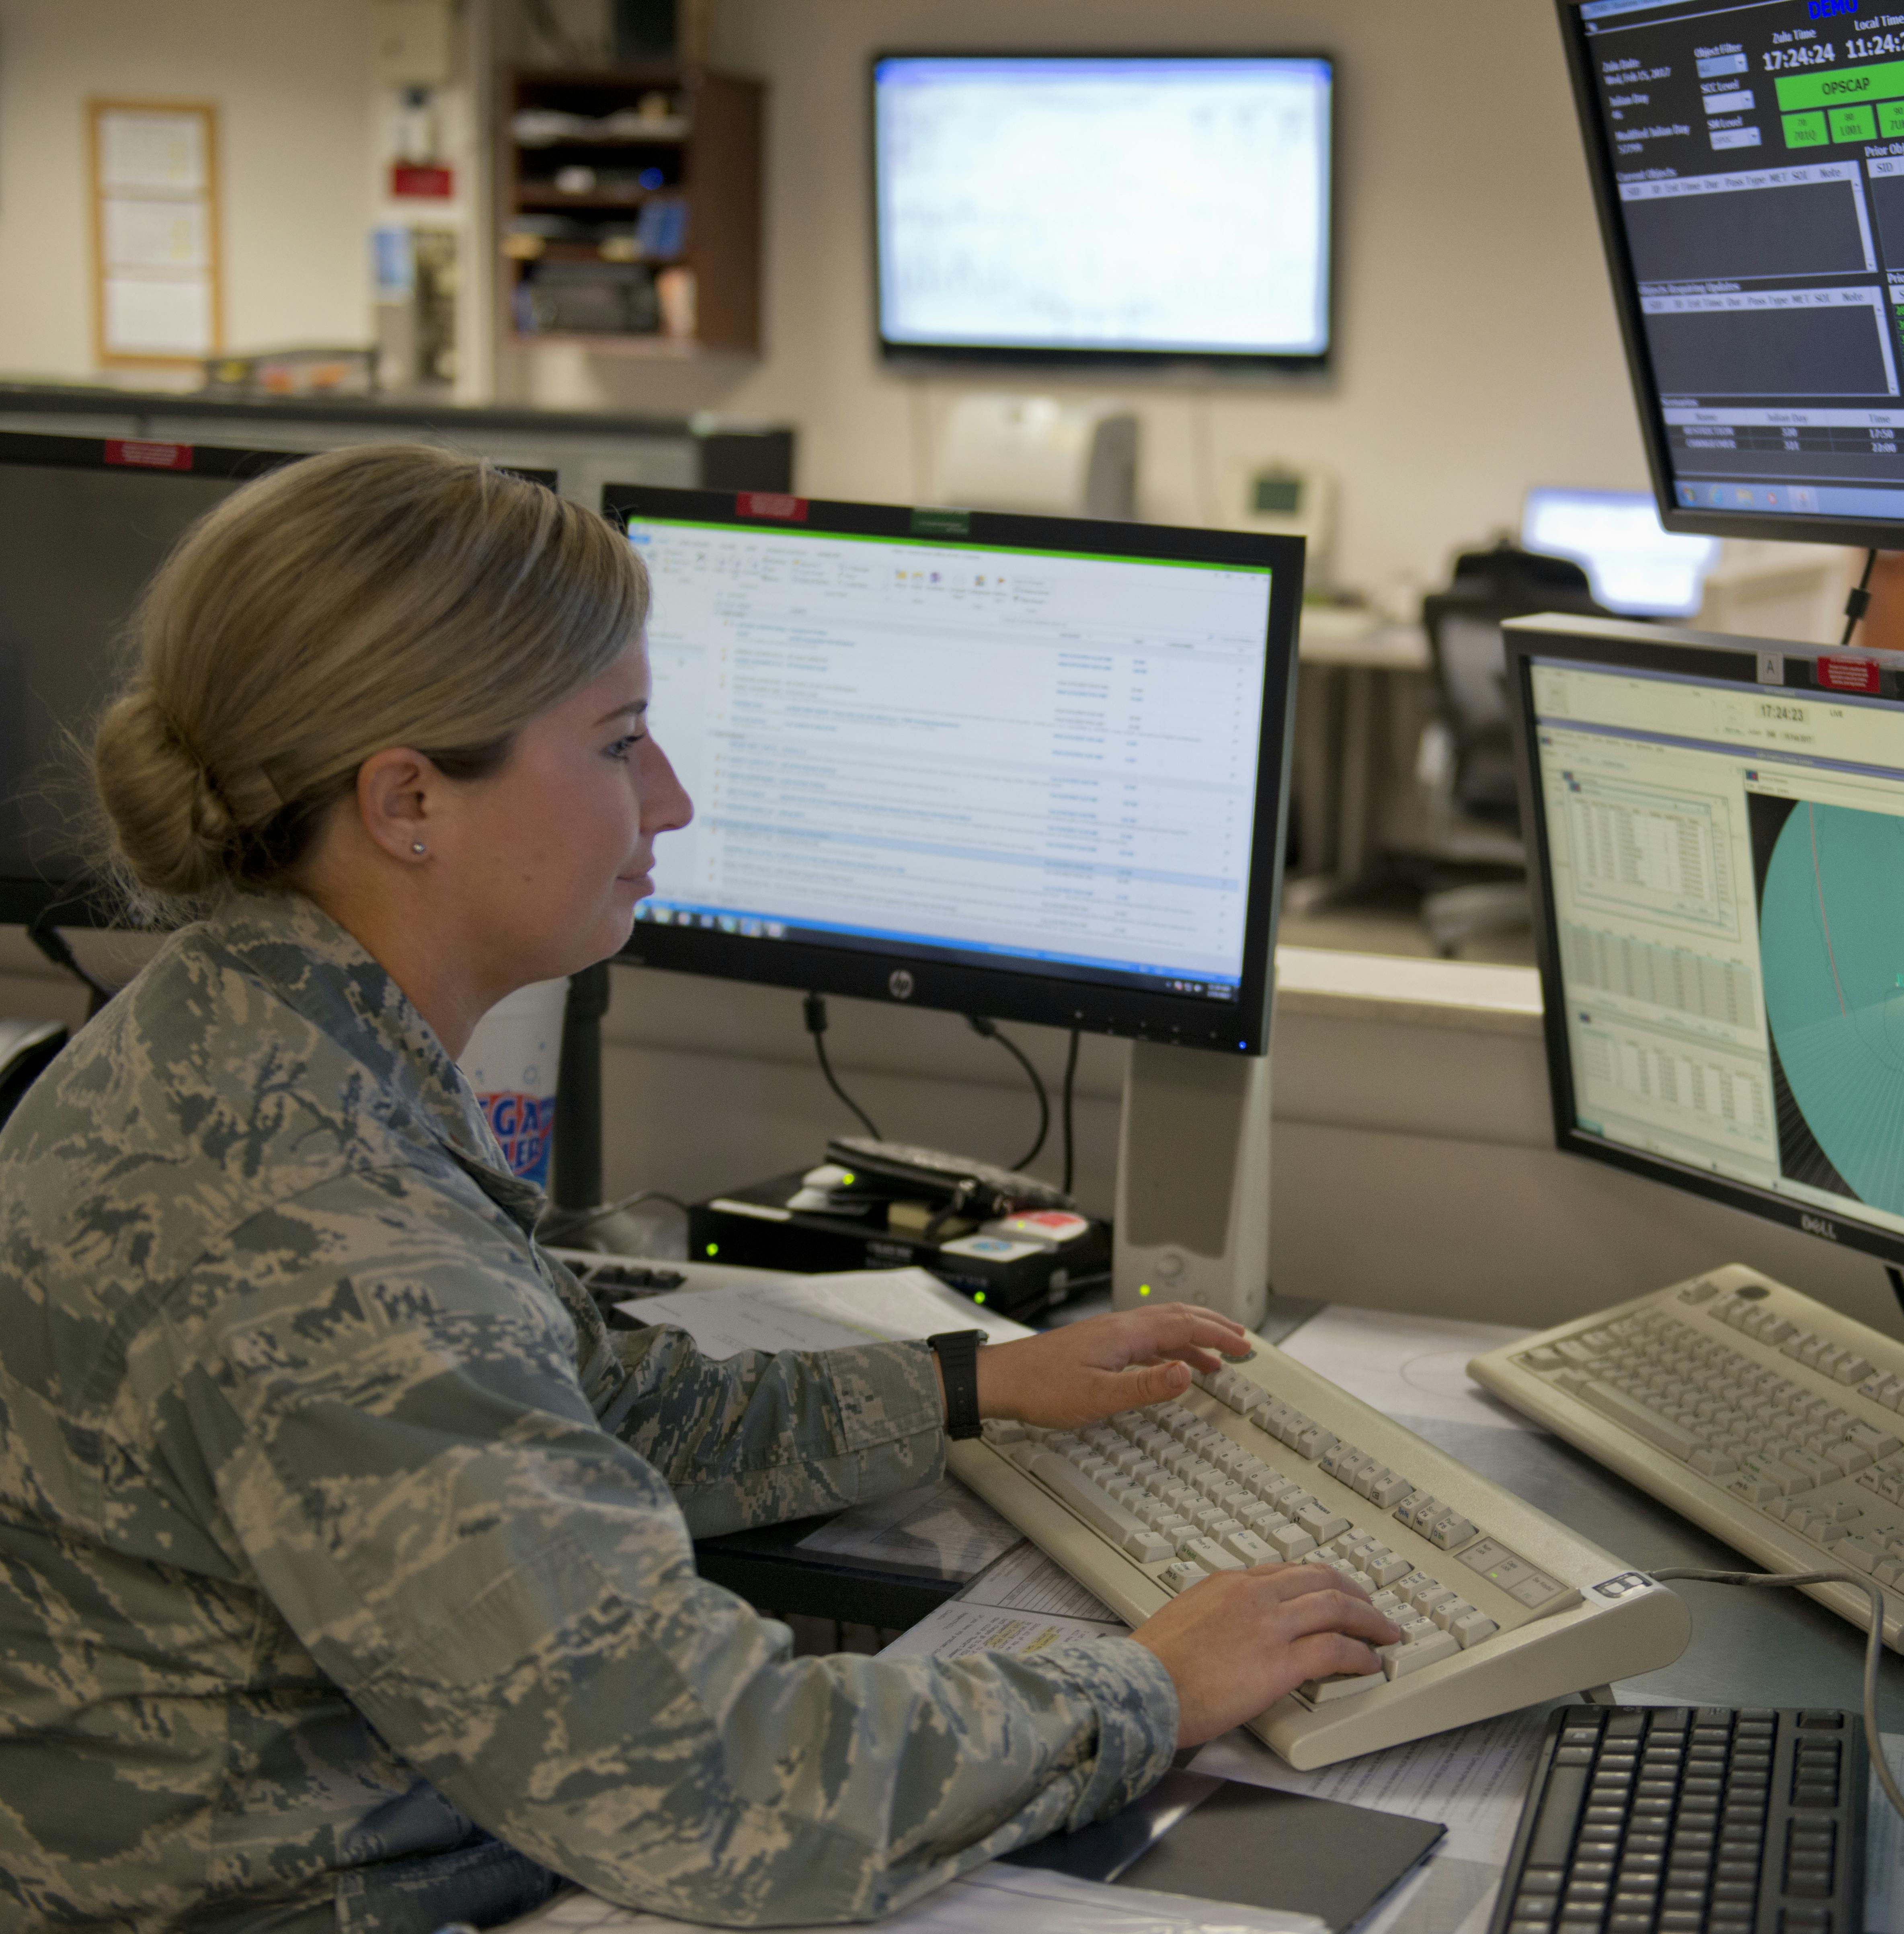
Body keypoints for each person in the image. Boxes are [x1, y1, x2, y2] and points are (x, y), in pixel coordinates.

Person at [0, 445, 1401, 1933]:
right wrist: (1149, 1684)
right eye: (618, 743)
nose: (667, 798)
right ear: (408, 800)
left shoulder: (234, 1044)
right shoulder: (323, 1236)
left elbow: (594, 1413)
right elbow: (717, 1796)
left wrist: (966, 1391)